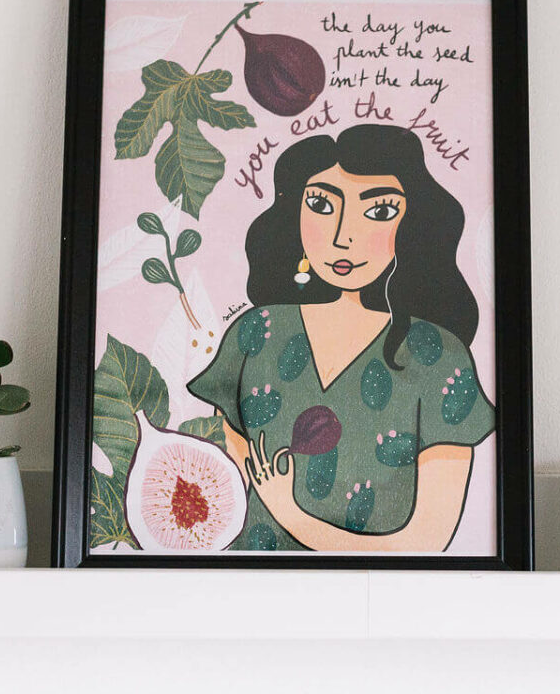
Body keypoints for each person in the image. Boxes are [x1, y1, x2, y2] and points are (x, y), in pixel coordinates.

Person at [187, 125, 494, 551]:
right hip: (245, 585)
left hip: (376, 590)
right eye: (321, 205)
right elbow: (224, 493)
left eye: (379, 210)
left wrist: (291, 514)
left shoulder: (439, 358)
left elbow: (426, 541)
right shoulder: (255, 333)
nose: (342, 236)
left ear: (413, 224)